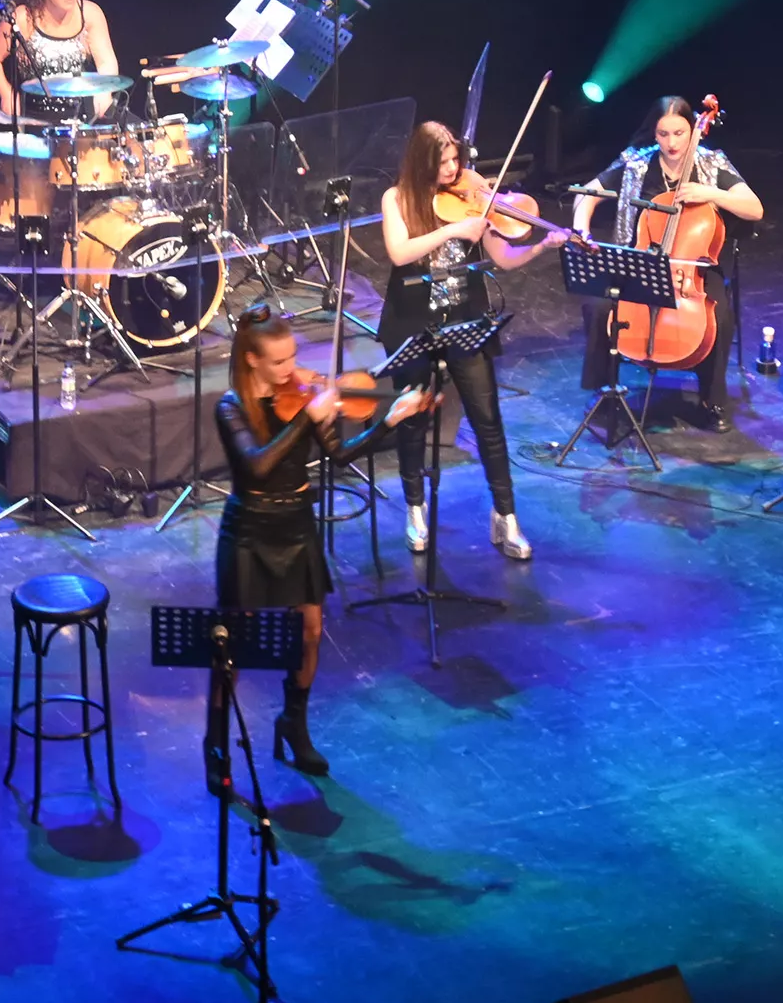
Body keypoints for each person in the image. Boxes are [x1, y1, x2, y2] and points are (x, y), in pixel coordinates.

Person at [216, 304, 432, 784]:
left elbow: (342, 455)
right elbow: (256, 466)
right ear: (252, 360)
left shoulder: (302, 396)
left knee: (310, 631)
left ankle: (293, 723)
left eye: (293, 356)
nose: (292, 369)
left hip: (295, 524)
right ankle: (216, 743)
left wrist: (390, 420)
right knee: (235, 644)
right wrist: (305, 420)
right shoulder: (230, 407)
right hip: (250, 529)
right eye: (279, 362)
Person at [379, 121, 565, 558]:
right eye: (441, 161)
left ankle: (506, 516)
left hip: (465, 318)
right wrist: (452, 232)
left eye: (455, 159)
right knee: (413, 419)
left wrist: (540, 247)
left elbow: (502, 255)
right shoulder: (398, 198)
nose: (451, 168)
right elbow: (400, 252)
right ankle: (415, 508)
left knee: (488, 420)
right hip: (413, 320)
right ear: (422, 160)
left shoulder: (474, 189)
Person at [571, 96, 765, 431]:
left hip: (695, 267)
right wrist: (581, 228)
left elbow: (755, 208)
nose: (672, 143)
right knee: (601, 305)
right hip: (644, 260)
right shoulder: (636, 163)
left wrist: (712, 195)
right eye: (663, 134)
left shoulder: (711, 163)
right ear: (654, 133)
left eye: (679, 133)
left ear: (693, 130)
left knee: (718, 316)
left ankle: (711, 398)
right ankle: (604, 388)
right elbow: (588, 192)